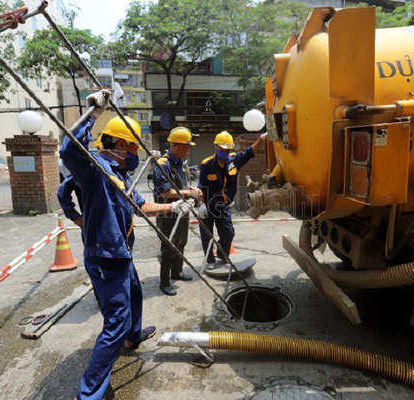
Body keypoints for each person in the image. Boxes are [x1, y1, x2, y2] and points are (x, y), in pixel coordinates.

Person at [60, 90, 193, 400]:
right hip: (105, 256)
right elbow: (68, 152)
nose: (136, 152)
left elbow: (140, 205)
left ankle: (133, 337)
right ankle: (89, 393)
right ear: (120, 145)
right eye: (133, 146)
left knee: (134, 293)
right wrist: (93, 113)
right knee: (115, 321)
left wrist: (172, 208)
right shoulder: (94, 169)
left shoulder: (120, 174)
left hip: (121, 251)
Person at [197, 130, 267, 268]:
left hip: (223, 205)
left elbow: (249, 152)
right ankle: (210, 260)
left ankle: (222, 255)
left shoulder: (234, 160)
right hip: (207, 204)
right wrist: (201, 204)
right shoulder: (206, 164)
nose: (225, 151)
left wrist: (261, 139)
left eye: (228, 149)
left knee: (228, 233)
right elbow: (201, 187)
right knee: (206, 234)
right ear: (216, 147)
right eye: (222, 148)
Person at [153, 127, 203, 296]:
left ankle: (177, 272)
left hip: (182, 212)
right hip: (168, 214)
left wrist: (190, 188)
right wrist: (188, 193)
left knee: (181, 242)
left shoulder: (179, 163)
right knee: (169, 246)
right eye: (187, 146)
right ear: (179, 146)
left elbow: (179, 185)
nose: (189, 150)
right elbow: (164, 192)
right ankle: (164, 282)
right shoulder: (163, 165)